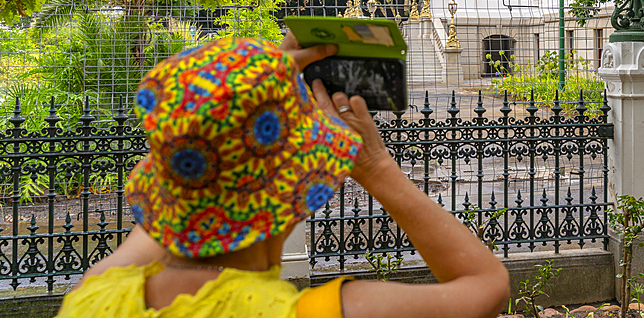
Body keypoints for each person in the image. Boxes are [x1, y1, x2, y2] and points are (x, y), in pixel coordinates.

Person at [56, 34, 509, 318]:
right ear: (298, 192)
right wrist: (377, 168)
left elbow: (179, 206)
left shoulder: (96, 297)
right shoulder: (315, 311)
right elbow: (488, 286)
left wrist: (245, 84)